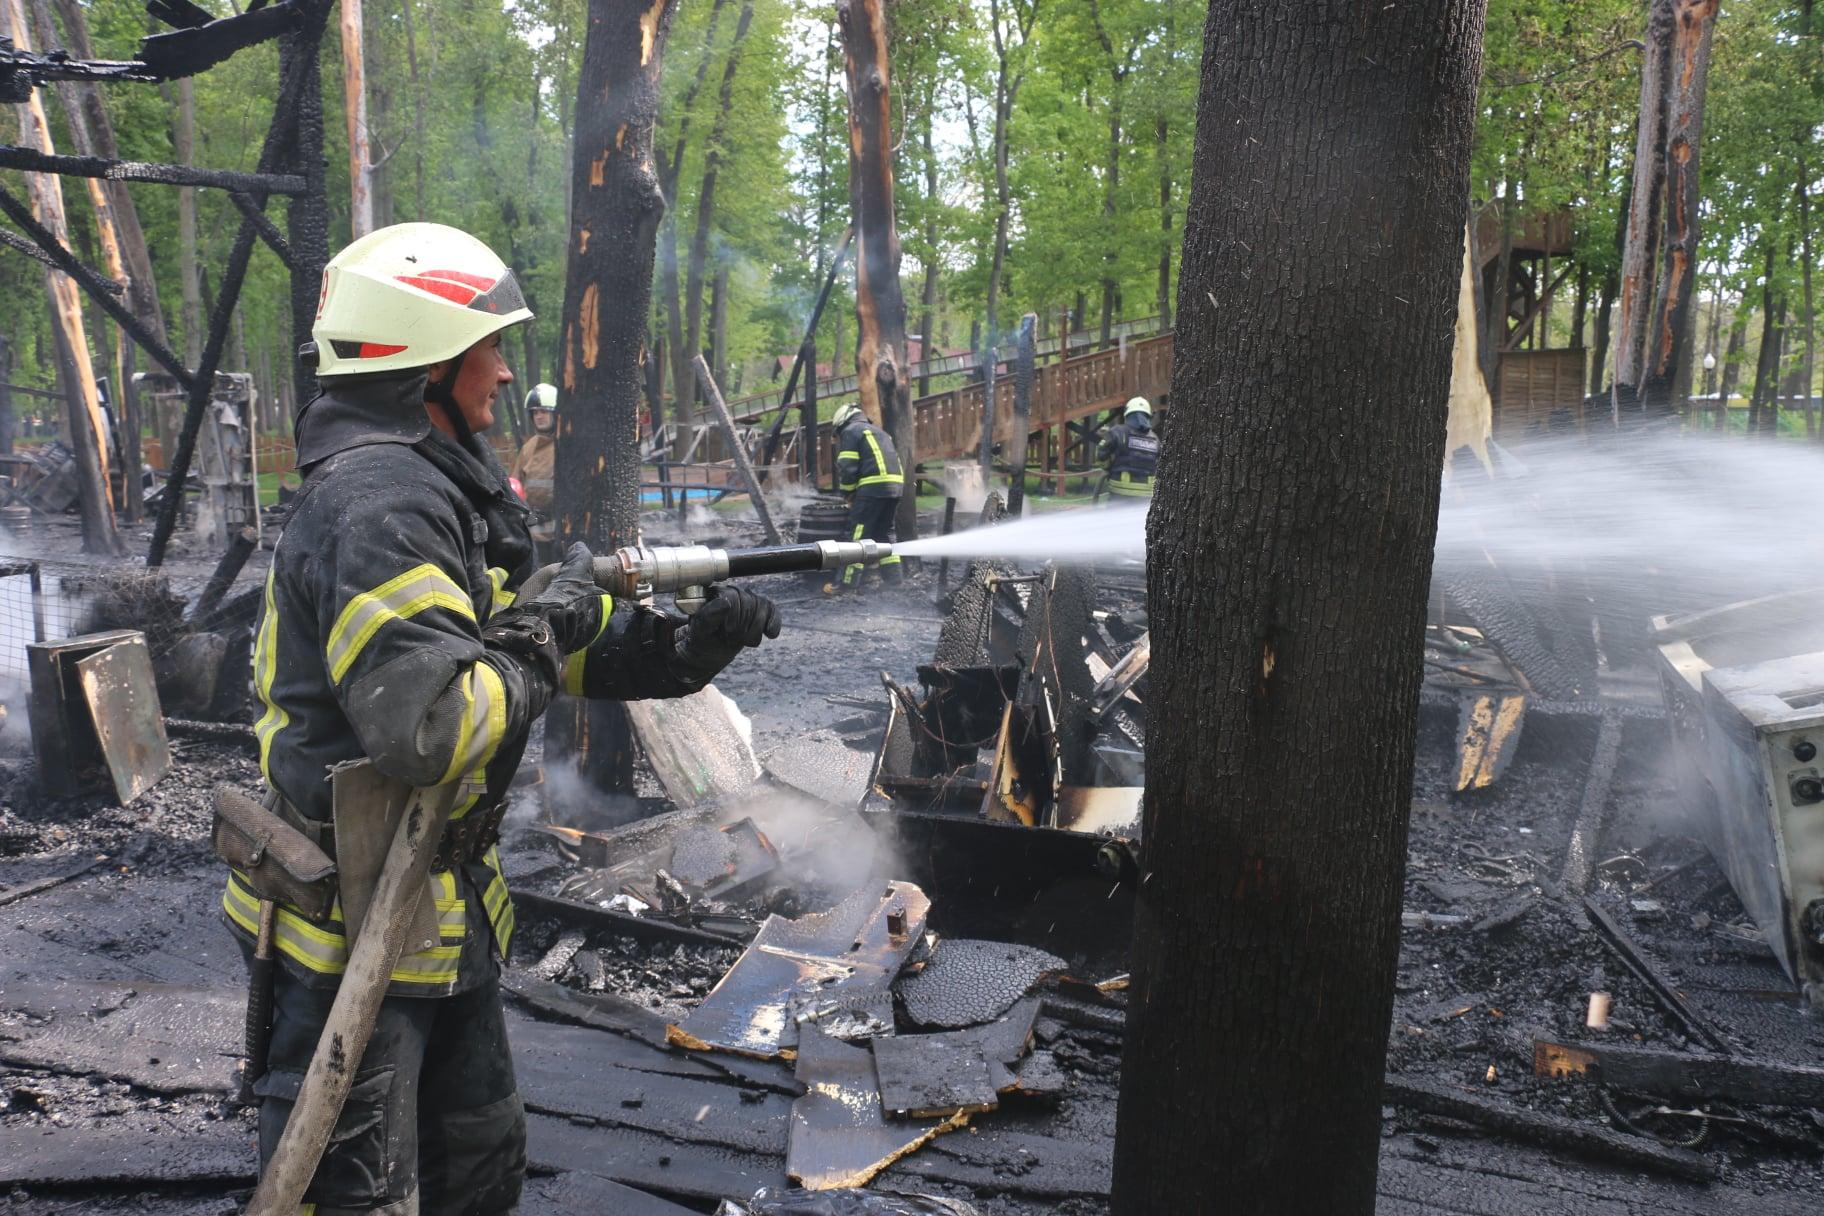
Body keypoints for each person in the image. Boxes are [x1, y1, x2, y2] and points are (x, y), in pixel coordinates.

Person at [224, 222, 781, 1215]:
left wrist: (686, 649)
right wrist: (544, 629)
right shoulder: (382, 505)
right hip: (358, 929)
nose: (506, 368)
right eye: (487, 345)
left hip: (439, 910)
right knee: (357, 1195)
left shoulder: (435, 488)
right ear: (424, 364)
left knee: (475, 1169)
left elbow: (542, 635)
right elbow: (432, 724)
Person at [829, 401, 905, 591]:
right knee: (885, 533)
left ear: (841, 422)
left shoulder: (850, 431)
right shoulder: (879, 432)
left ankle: (846, 584)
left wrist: (848, 492)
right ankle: (894, 581)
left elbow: (847, 465)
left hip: (873, 487)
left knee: (857, 535)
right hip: (895, 486)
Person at [1098, 396, 1161, 499]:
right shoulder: (1155, 439)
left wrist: (1107, 467)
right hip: (1146, 498)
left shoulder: (1118, 432)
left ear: (1127, 414)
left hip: (1120, 493)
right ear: (1148, 415)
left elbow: (1102, 453)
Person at [508, 382, 558, 513]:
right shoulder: (528, 448)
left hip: (561, 526)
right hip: (531, 526)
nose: (539, 416)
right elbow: (514, 487)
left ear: (556, 413)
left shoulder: (565, 447)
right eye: (535, 413)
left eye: (544, 411)